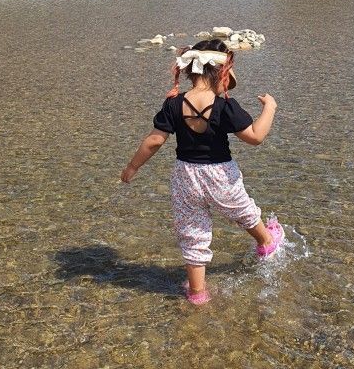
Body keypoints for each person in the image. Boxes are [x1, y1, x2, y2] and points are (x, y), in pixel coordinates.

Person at [120, 38, 283, 305]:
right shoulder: (224, 106)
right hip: (220, 176)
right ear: (222, 72)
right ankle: (266, 242)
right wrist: (270, 108)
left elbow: (154, 141)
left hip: (185, 176)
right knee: (242, 210)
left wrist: (132, 167)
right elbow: (255, 136)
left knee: (192, 231)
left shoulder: (173, 104)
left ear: (190, 71)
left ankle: (197, 293)